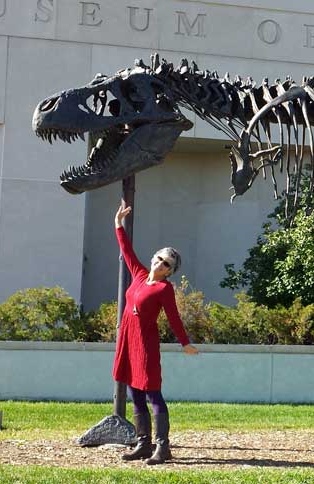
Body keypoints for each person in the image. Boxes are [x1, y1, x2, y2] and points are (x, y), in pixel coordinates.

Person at [113, 199, 199, 465]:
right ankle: (143, 444)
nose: (160, 264)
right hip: (128, 341)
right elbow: (127, 251)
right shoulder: (139, 275)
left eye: (166, 264)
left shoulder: (164, 289)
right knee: (133, 393)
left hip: (146, 345)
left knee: (152, 394)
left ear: (170, 272)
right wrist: (118, 224)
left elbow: (173, 318)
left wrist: (185, 343)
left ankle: (163, 448)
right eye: (159, 258)